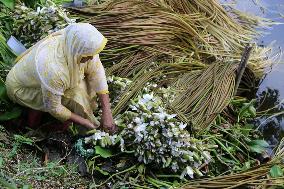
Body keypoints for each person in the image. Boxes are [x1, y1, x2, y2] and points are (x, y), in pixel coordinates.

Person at [5, 23, 117, 133]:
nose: (91, 58)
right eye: (88, 56)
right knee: (75, 98)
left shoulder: (77, 45)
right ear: (77, 51)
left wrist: (107, 112)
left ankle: (52, 119)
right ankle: (32, 127)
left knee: (84, 89)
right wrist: (83, 122)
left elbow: (97, 73)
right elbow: (54, 107)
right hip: (21, 88)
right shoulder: (53, 68)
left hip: (42, 81)